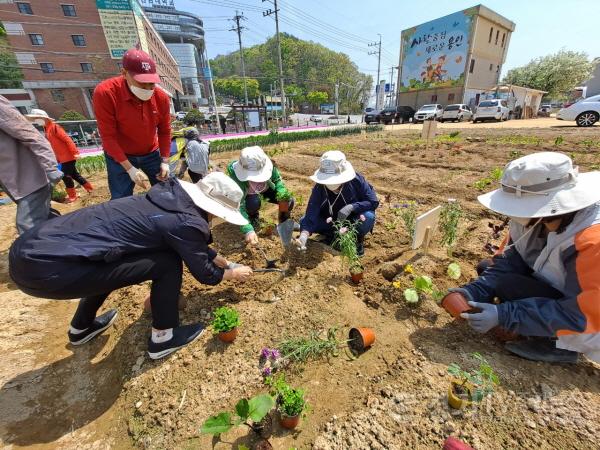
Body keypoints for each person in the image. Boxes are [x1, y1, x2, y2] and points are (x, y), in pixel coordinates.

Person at [9, 172, 254, 360]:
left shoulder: (167, 198)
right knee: (167, 264)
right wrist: (233, 272)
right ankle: (163, 337)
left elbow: (168, 234)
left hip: (30, 249)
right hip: (50, 270)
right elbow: (207, 276)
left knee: (107, 256)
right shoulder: (185, 222)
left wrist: (210, 253)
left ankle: (81, 328)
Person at [444, 152, 600, 364]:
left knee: (510, 287)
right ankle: (533, 324)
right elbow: (510, 260)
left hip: (587, 319)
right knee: (492, 272)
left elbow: (581, 314)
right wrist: (476, 290)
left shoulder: (592, 241)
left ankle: (561, 345)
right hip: (559, 288)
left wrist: (506, 314)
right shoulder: (536, 220)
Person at [93, 48, 171, 200]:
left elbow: (164, 131)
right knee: (121, 197)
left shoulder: (161, 97)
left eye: (152, 84)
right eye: (142, 84)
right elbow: (108, 137)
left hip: (151, 152)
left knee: (167, 191)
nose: (148, 89)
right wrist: (129, 169)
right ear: (124, 73)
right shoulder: (106, 93)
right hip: (120, 154)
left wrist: (165, 161)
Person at [0, 95, 63, 234]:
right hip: (14, 181)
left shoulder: (54, 128)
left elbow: (31, 134)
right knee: (45, 218)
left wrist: (51, 167)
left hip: (31, 177)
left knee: (27, 226)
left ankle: (42, 254)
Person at [296, 151, 378, 256]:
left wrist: (352, 207)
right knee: (304, 220)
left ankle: (356, 240)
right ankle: (333, 236)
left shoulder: (356, 180)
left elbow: (373, 201)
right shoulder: (319, 187)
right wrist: (304, 235)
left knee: (368, 217)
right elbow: (312, 210)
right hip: (330, 221)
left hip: (353, 221)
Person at [226, 146, 294, 245]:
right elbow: (239, 205)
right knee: (253, 203)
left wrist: (282, 192)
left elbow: (277, 181)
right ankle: (253, 217)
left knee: (288, 200)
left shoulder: (269, 166)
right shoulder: (236, 177)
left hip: (266, 189)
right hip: (250, 195)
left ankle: (283, 222)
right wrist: (248, 230)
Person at [26, 109, 93, 203]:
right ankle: (90, 189)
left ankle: (72, 196)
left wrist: (75, 152)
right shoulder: (47, 129)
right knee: (74, 175)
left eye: (37, 118)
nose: (36, 120)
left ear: (43, 118)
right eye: (35, 119)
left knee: (65, 176)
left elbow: (67, 139)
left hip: (68, 157)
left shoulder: (54, 127)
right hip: (62, 158)